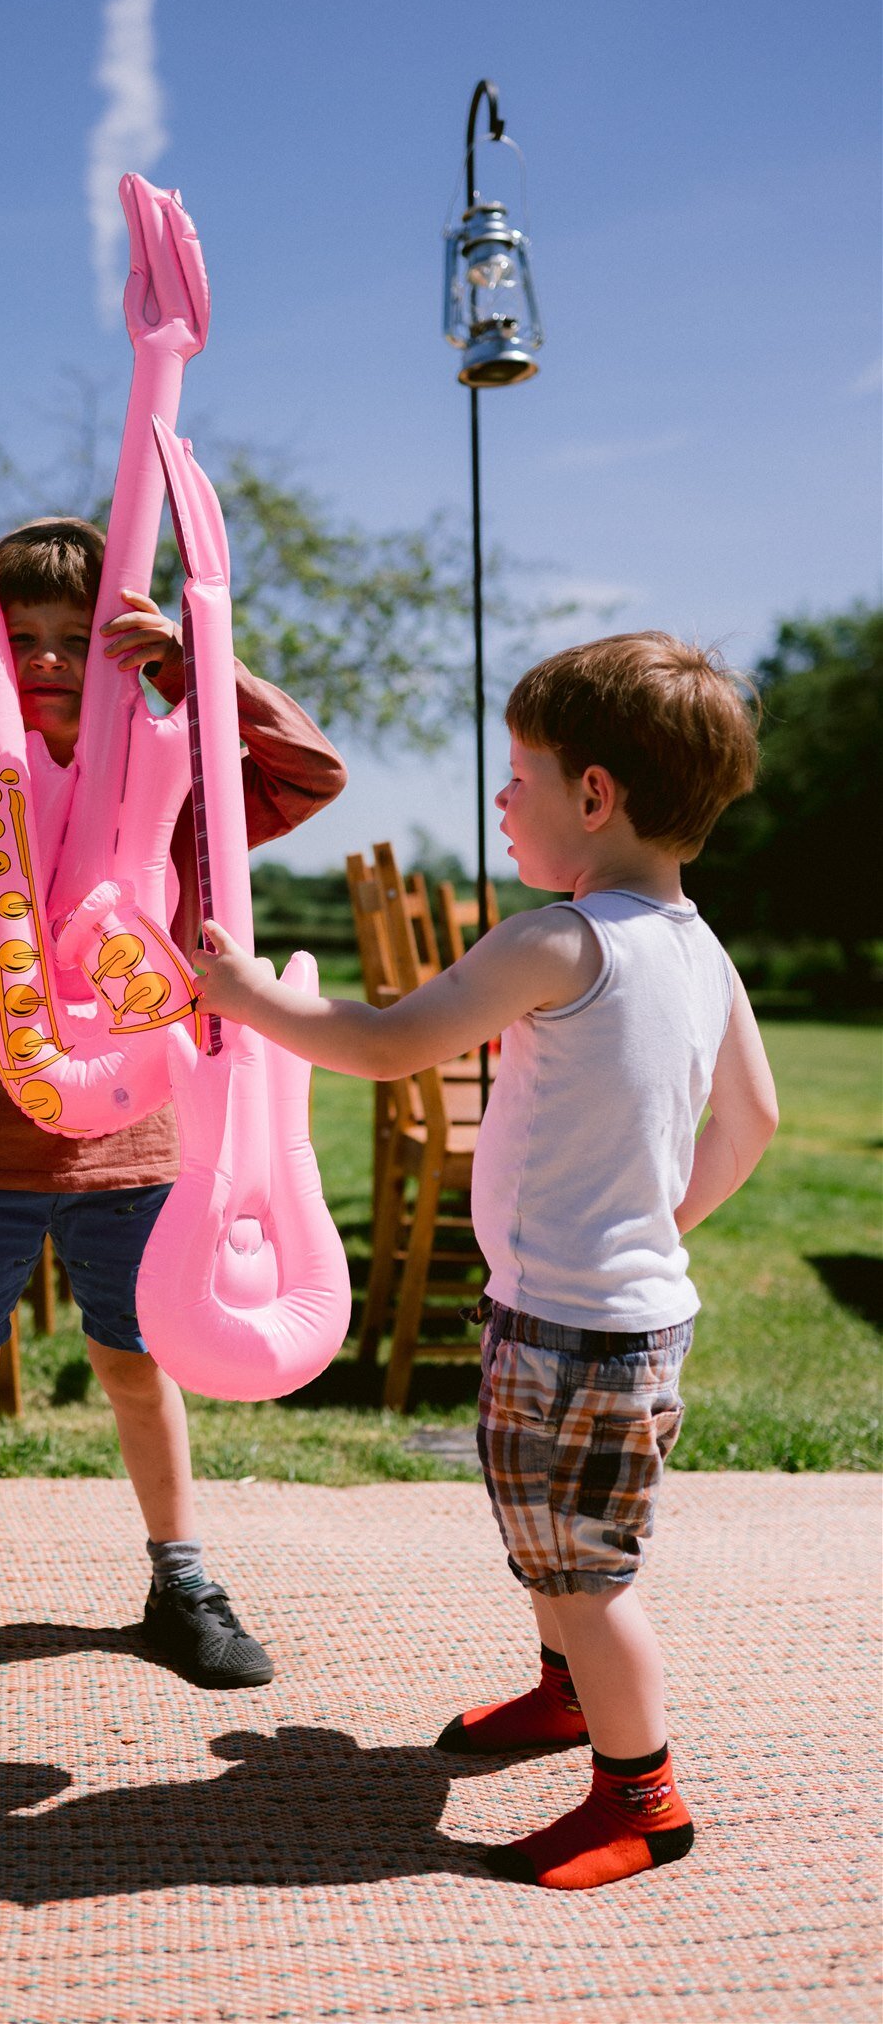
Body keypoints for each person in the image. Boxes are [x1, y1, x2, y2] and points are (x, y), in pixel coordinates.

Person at [193, 632, 778, 1891]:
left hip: (574, 1328)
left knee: (588, 1567)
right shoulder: (701, 947)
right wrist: (657, 1230)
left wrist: (245, 996)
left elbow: (391, 1040)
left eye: (520, 776)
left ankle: (644, 1800)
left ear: (596, 794)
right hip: (602, 1315)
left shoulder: (561, 942)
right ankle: (568, 1696)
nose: (502, 801)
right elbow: (757, 1120)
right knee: (547, 1534)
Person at [0, 516, 346, 1741]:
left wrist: (202, 663)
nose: (47, 661)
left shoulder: (182, 769)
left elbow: (310, 774)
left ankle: (182, 1579)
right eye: (22, 637)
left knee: (138, 1367)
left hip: (145, 1142)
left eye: (73, 639)